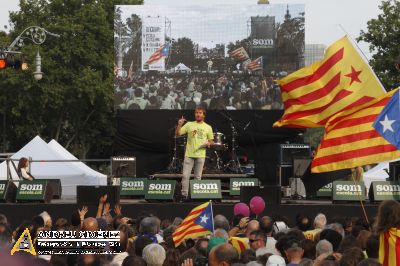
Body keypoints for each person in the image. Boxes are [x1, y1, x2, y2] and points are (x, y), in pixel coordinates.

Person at [176, 106, 214, 200]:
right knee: (185, 176)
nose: (198, 114)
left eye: (200, 113)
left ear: (204, 115)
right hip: (189, 154)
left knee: (197, 177)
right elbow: (178, 134)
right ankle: (184, 195)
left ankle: (196, 195)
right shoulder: (189, 124)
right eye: (196, 112)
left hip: (200, 155)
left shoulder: (208, 127)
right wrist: (179, 124)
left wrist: (208, 144)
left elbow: (211, 141)